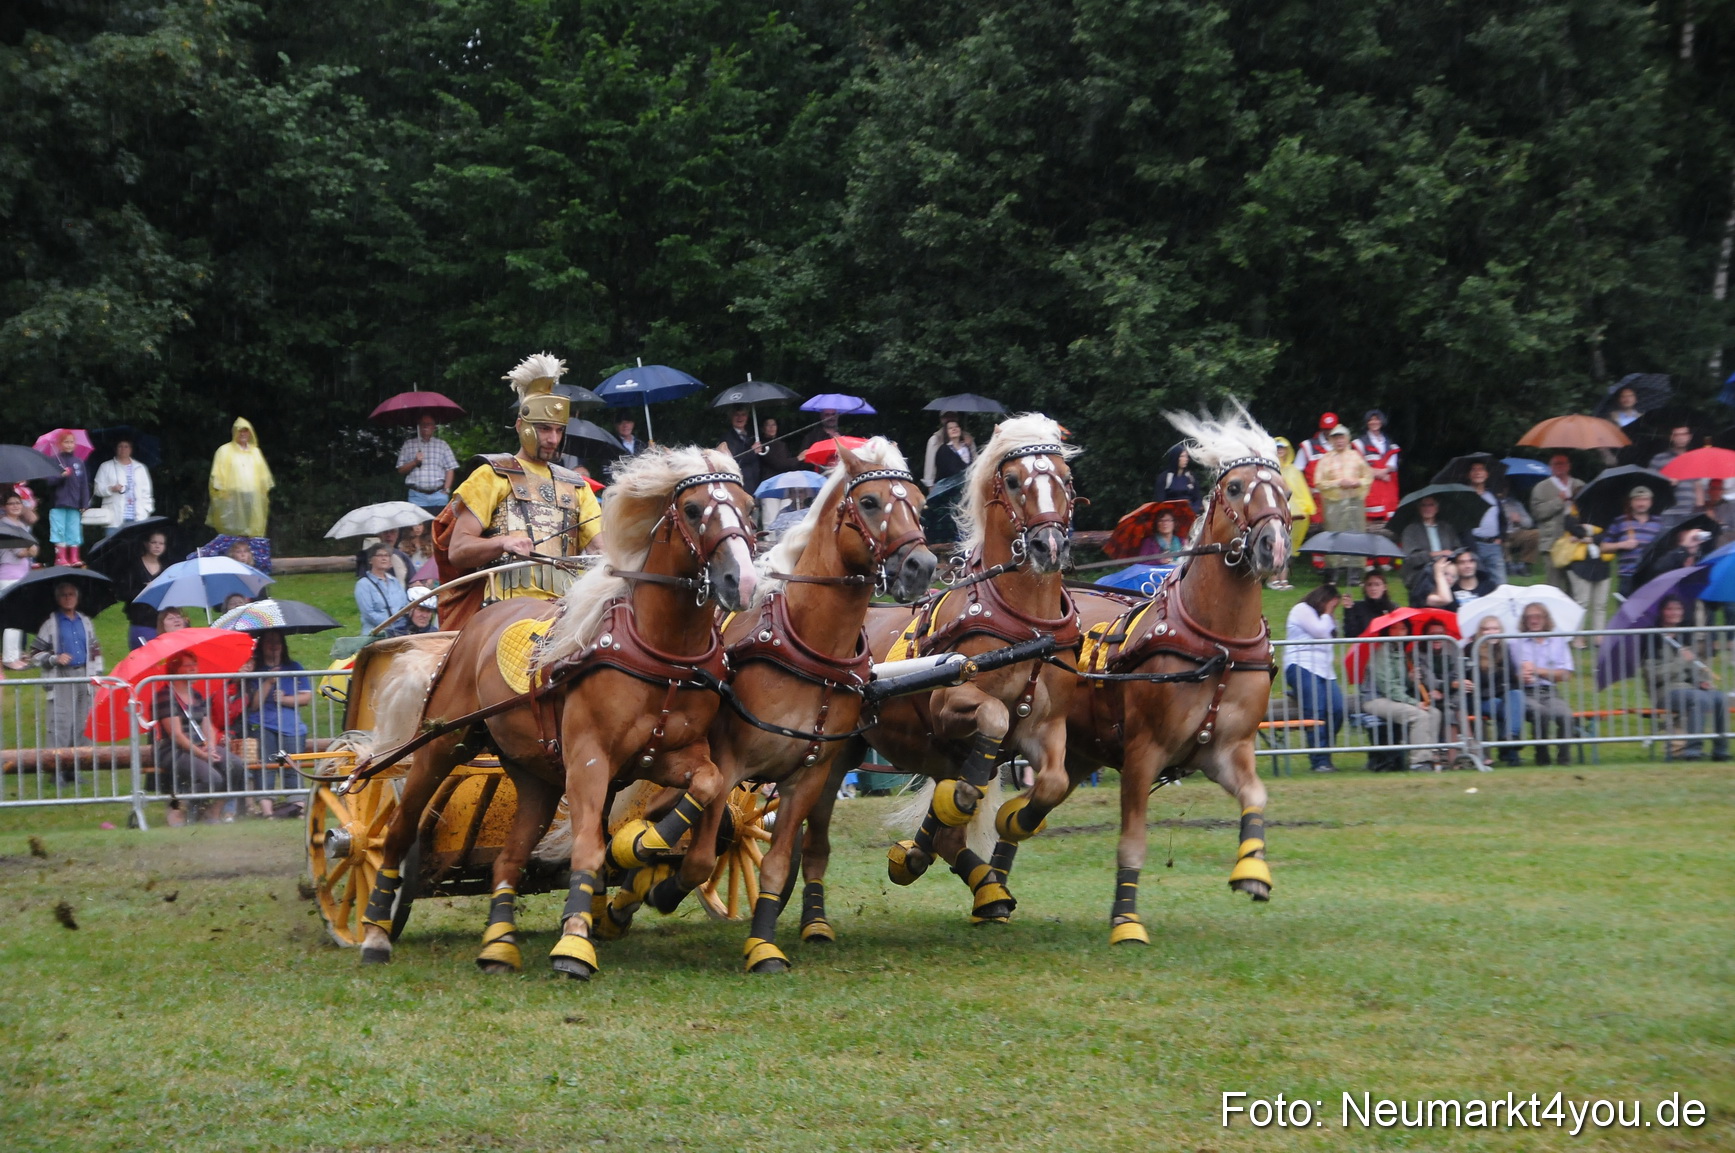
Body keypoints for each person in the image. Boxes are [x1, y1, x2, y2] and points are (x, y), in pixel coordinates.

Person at [432, 353, 603, 631]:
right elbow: (459, 550)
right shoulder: (492, 475)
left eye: (559, 430)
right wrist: (503, 543)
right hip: (505, 613)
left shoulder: (576, 485)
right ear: (521, 426)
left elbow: (600, 550)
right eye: (544, 429)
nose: (553, 439)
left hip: (568, 610)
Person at [150, 652, 247, 823]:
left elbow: (207, 724)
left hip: (198, 746)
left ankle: (213, 812)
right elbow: (176, 735)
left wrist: (210, 745)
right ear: (175, 670)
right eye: (188, 666)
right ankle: (180, 809)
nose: (194, 669)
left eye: (195, 664)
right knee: (212, 778)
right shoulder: (165, 696)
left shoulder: (196, 695)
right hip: (173, 749)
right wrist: (202, 754)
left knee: (236, 765)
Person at [28, 581, 102, 781]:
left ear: (77, 598)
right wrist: (54, 658)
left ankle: (75, 768)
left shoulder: (85, 621)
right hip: (61, 676)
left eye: (71, 594)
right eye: (63, 595)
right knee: (60, 723)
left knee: (82, 724)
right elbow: (34, 654)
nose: (68, 598)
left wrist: (97, 677)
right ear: (57, 599)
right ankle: (55, 770)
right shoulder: (51, 623)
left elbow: (95, 651)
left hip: (85, 676)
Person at [1644, 596, 1728, 761]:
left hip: (1688, 688)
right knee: (1698, 699)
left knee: (1720, 697)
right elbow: (1654, 675)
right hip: (1665, 691)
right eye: (1670, 609)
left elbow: (1690, 671)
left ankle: (1721, 750)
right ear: (1662, 612)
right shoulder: (1652, 638)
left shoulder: (1685, 636)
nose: (1675, 612)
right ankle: (1693, 750)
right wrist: (1680, 660)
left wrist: (1700, 681)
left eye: (1678, 609)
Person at [243, 629, 313, 813]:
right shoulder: (254, 669)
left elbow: (306, 698)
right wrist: (268, 682)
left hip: (292, 727)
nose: (274, 647)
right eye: (269, 642)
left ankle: (298, 807)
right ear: (261, 646)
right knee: (266, 765)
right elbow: (254, 704)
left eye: (277, 642)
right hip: (263, 724)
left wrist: (285, 699)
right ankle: (267, 811)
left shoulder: (295, 667)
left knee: (293, 766)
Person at [1361, 618, 1444, 771]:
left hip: (1394, 698)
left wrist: (1412, 679)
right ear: (1388, 631)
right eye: (1394, 628)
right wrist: (1414, 702)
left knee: (1435, 713)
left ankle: (1432, 757)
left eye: (1403, 629)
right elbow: (1389, 687)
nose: (1399, 632)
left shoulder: (1402, 654)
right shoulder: (1381, 653)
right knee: (1420, 715)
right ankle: (1419, 762)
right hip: (1375, 699)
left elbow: (1401, 685)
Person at [1282, 584, 1348, 772]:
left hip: (1325, 670)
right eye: (1331, 604)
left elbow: (1334, 637)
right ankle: (1319, 761)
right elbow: (1319, 633)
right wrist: (1328, 613)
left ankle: (1324, 752)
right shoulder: (1302, 609)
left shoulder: (1326, 617)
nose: (1332, 609)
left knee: (1337, 709)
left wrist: (1344, 613)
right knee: (1316, 711)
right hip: (1302, 666)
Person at [1510, 602, 1576, 765]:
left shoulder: (1558, 640)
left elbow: (1566, 674)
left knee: (1566, 716)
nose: (1534, 620)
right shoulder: (1514, 643)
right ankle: (1542, 756)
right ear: (1524, 621)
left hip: (1550, 691)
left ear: (1546, 619)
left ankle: (1564, 759)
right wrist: (1520, 676)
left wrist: (1539, 671)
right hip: (1524, 692)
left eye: (1538, 616)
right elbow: (1506, 674)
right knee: (1541, 713)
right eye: (1529, 617)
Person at [1313, 425, 1374, 585]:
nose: (1339, 441)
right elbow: (1319, 482)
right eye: (1336, 438)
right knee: (1333, 535)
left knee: (1355, 535)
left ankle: (1354, 574)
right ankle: (1331, 573)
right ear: (1331, 440)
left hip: (1355, 502)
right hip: (1334, 503)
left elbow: (1368, 476)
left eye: (1342, 437)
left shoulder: (1356, 457)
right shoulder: (1325, 459)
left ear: (1347, 439)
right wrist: (1339, 482)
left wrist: (1356, 482)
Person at [1468, 615, 1525, 766]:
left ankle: (1509, 737)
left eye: (1495, 628)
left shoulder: (1504, 648)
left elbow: (1512, 679)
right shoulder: (1471, 649)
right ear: (1480, 632)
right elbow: (1478, 681)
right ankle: (1509, 751)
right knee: (1507, 707)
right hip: (1480, 699)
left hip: (1502, 695)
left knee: (1516, 695)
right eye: (1487, 629)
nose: (1491, 632)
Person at [207, 417, 273, 539]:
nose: (243, 434)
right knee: (232, 532)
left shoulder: (255, 452)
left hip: (253, 500)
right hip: (232, 500)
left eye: (246, 431)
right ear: (234, 432)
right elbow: (217, 473)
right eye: (240, 431)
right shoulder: (224, 450)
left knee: (252, 531)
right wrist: (222, 494)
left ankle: (249, 555)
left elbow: (264, 476)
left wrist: (263, 493)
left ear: (250, 432)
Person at [1530, 454, 1585, 592]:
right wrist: (1559, 501)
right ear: (1550, 467)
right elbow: (1538, 513)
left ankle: (1572, 612)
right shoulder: (1541, 488)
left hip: (1576, 542)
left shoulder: (1579, 485)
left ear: (1569, 466)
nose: (1560, 467)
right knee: (1553, 586)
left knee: (1575, 585)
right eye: (1556, 464)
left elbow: (1590, 510)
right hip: (1552, 543)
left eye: (1563, 463)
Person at [1602, 487, 1665, 597]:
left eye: (1645, 499)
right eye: (1637, 500)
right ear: (1630, 502)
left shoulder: (1659, 522)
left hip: (1651, 576)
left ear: (1651, 502)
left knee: (1649, 612)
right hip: (1627, 576)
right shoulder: (1620, 521)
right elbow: (1603, 547)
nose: (1641, 503)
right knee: (1626, 612)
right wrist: (1622, 544)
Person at [1399, 495, 1462, 603]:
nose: (1427, 508)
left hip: (1447, 572)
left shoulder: (1447, 528)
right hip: (1422, 575)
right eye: (1423, 505)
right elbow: (1410, 558)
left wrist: (1452, 555)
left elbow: (1458, 549)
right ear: (1419, 509)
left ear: (1437, 508)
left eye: (1431, 505)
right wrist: (1436, 554)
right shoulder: (1411, 530)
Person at [1270, 437, 1314, 591]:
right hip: (1274, 511)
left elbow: (1300, 492)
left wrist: (1302, 508)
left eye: (1282, 448)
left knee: (1286, 547)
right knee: (1275, 545)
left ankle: (1283, 580)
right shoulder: (1269, 468)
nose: (1280, 451)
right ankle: (1273, 578)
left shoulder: (1293, 470)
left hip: (1291, 513)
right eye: (1277, 448)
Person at [43, 429, 91, 567]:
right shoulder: (54, 461)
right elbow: (49, 482)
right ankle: (60, 557)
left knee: (74, 530)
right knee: (59, 529)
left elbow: (83, 484)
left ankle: (74, 557)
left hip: (75, 504)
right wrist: (61, 476)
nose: (69, 445)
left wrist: (84, 503)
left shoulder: (79, 462)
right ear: (59, 444)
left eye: (71, 442)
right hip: (58, 503)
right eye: (66, 442)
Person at [92, 437, 154, 537]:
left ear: (131, 449)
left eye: (126, 446)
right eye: (120, 446)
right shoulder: (106, 466)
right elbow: (97, 490)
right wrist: (111, 489)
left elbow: (146, 492)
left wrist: (147, 510)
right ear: (116, 449)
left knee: (135, 549)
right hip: (114, 518)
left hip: (137, 518)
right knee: (113, 549)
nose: (123, 449)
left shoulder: (140, 468)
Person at [119, 528, 170, 649]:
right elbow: (123, 592)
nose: (157, 546)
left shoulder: (166, 570)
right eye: (154, 542)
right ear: (146, 544)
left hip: (161, 622)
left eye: (161, 543)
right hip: (141, 621)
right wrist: (144, 590)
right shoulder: (134, 567)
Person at [397, 414, 460, 510]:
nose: (426, 426)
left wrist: (446, 490)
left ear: (434, 427)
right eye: (423, 424)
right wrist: (415, 462)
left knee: (438, 525)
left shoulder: (442, 445)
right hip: (416, 496)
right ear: (418, 426)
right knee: (418, 525)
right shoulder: (408, 445)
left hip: (439, 495)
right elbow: (400, 470)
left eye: (429, 424)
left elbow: (450, 468)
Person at [1648, 425, 1702, 529]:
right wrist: (1665, 483)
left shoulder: (1694, 459)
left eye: (1684, 434)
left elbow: (1698, 485)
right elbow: (1649, 483)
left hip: (1689, 511)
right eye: (1677, 435)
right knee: (1666, 540)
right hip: (1667, 511)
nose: (1681, 437)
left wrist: (1699, 507)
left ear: (1689, 437)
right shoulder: (1659, 459)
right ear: (1671, 437)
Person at [1353, 410, 1400, 523]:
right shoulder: (1359, 444)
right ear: (1367, 423)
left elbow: (1392, 466)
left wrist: (1383, 471)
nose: (1374, 422)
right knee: (1370, 526)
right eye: (1371, 419)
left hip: (1389, 493)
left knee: (1390, 525)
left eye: (1377, 419)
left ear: (1382, 421)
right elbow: (1359, 468)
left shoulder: (1391, 444)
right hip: (1371, 493)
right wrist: (1382, 475)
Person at [1464, 461, 1506, 585]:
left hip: (1494, 546)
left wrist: (1501, 537)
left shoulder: (1493, 496)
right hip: (1473, 545)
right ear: (1468, 475)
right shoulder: (1464, 496)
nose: (1478, 472)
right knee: (1476, 583)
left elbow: (1502, 519)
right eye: (1474, 469)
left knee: (1500, 583)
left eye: (1481, 469)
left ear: (1487, 474)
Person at [355, 543, 409, 635]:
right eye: (380, 555)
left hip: (399, 631)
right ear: (370, 560)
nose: (384, 558)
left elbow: (404, 605)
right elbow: (369, 614)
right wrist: (390, 625)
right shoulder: (363, 584)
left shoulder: (394, 582)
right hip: (376, 633)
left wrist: (401, 625)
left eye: (387, 555)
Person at [1424, 548, 1496, 610]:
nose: (1467, 566)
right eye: (1462, 562)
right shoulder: (1448, 591)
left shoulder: (1489, 587)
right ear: (1455, 566)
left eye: (1471, 561)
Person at [717, 405, 764, 495]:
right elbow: (732, 461)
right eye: (736, 415)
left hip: (756, 483)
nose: (740, 418)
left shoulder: (753, 435)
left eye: (743, 414)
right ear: (731, 417)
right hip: (740, 485)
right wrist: (752, 451)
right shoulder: (727, 438)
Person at [0, 490, 39, 593]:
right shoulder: (4, 525)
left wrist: (31, 548)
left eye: (18, 503)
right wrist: (31, 549)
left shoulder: (21, 525)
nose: (15, 506)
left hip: (23, 574)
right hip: (9, 576)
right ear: (4, 507)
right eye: (11, 503)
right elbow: (20, 552)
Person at [1294, 411, 1341, 490]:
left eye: (1331, 429)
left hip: (1339, 496)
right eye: (1326, 429)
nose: (1329, 432)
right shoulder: (1307, 446)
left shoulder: (1344, 446)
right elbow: (1296, 473)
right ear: (1321, 428)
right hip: (1314, 497)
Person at [1342, 571, 1396, 638]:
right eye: (1369, 585)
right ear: (1365, 587)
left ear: (1384, 587)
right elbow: (1350, 634)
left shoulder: (1393, 608)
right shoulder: (1357, 607)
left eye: (1377, 584)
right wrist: (1348, 610)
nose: (1373, 588)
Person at [921, 412, 965, 488]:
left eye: (953, 416)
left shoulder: (967, 439)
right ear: (942, 420)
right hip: (945, 486)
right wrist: (930, 487)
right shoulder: (935, 440)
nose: (950, 419)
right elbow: (930, 466)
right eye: (947, 417)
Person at [932, 418, 975, 485]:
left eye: (956, 427)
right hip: (950, 488)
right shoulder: (943, 450)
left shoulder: (966, 448)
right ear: (946, 432)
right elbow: (944, 472)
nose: (954, 429)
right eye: (950, 428)